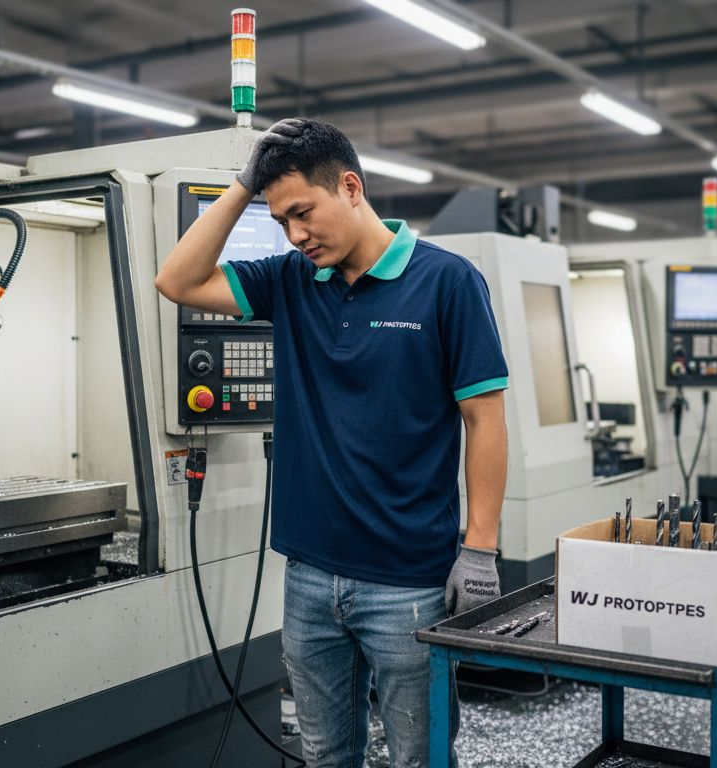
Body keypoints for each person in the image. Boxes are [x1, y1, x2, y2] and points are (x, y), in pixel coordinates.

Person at [154, 118, 509, 767]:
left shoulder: (448, 281)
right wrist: (241, 185)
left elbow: (484, 417)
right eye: (280, 219)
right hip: (310, 575)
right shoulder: (287, 282)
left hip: (408, 581)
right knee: (324, 753)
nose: (294, 234)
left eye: (302, 213)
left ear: (350, 187)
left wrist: (479, 549)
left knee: (417, 757)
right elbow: (176, 281)